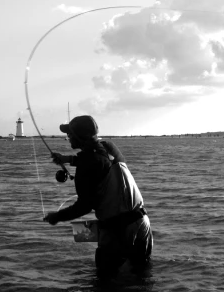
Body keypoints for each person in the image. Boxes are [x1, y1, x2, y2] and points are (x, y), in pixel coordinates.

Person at [43, 115, 153, 275]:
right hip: (142, 223)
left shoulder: (87, 166)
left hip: (117, 229)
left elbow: (84, 206)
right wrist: (67, 159)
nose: (68, 137)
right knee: (141, 277)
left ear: (80, 137)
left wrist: (57, 217)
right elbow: (99, 160)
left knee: (105, 283)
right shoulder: (109, 146)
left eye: (70, 134)